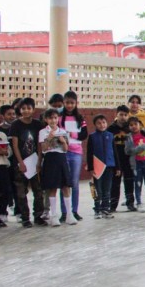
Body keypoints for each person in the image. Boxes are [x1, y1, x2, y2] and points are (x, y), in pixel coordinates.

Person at [8, 97, 46, 228]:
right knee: (21, 192)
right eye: (23, 108)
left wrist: (39, 161)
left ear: (33, 109)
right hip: (21, 163)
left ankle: (38, 216)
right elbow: (15, 145)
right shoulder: (15, 125)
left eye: (29, 108)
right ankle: (25, 217)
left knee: (38, 190)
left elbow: (39, 144)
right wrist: (20, 162)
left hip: (35, 161)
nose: (26, 111)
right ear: (19, 109)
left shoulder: (38, 125)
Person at [38, 107, 76, 227]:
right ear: (46, 119)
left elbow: (65, 149)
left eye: (55, 118)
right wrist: (49, 138)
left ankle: (69, 214)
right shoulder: (43, 132)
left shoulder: (63, 131)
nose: (53, 120)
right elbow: (43, 149)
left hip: (61, 159)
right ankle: (54, 216)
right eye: (50, 118)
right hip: (50, 159)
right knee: (52, 187)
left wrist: (63, 141)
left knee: (65, 187)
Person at [59, 91, 88, 222]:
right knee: (64, 182)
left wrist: (73, 134)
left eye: (72, 103)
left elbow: (84, 134)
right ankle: (64, 211)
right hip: (62, 152)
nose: (69, 105)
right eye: (67, 103)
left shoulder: (80, 118)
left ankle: (74, 210)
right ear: (63, 103)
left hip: (76, 152)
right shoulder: (59, 117)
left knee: (75, 182)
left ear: (76, 103)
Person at [86, 114, 116, 219]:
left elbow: (114, 152)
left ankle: (106, 209)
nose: (102, 125)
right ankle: (97, 209)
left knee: (107, 189)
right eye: (99, 123)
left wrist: (118, 167)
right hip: (97, 167)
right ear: (95, 125)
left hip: (109, 166)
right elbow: (89, 153)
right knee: (97, 189)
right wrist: (90, 167)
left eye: (103, 122)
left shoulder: (111, 135)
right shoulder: (92, 137)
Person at [108, 104, 136, 212]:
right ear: (116, 115)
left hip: (128, 159)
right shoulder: (111, 129)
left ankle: (130, 203)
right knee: (115, 183)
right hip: (116, 159)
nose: (123, 117)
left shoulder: (130, 129)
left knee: (129, 181)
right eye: (121, 114)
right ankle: (113, 205)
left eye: (125, 115)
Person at [125, 116, 145, 212]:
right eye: (131, 125)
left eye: (135, 124)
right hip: (136, 163)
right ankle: (139, 203)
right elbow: (127, 151)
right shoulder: (129, 138)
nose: (134, 126)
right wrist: (139, 149)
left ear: (140, 125)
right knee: (138, 183)